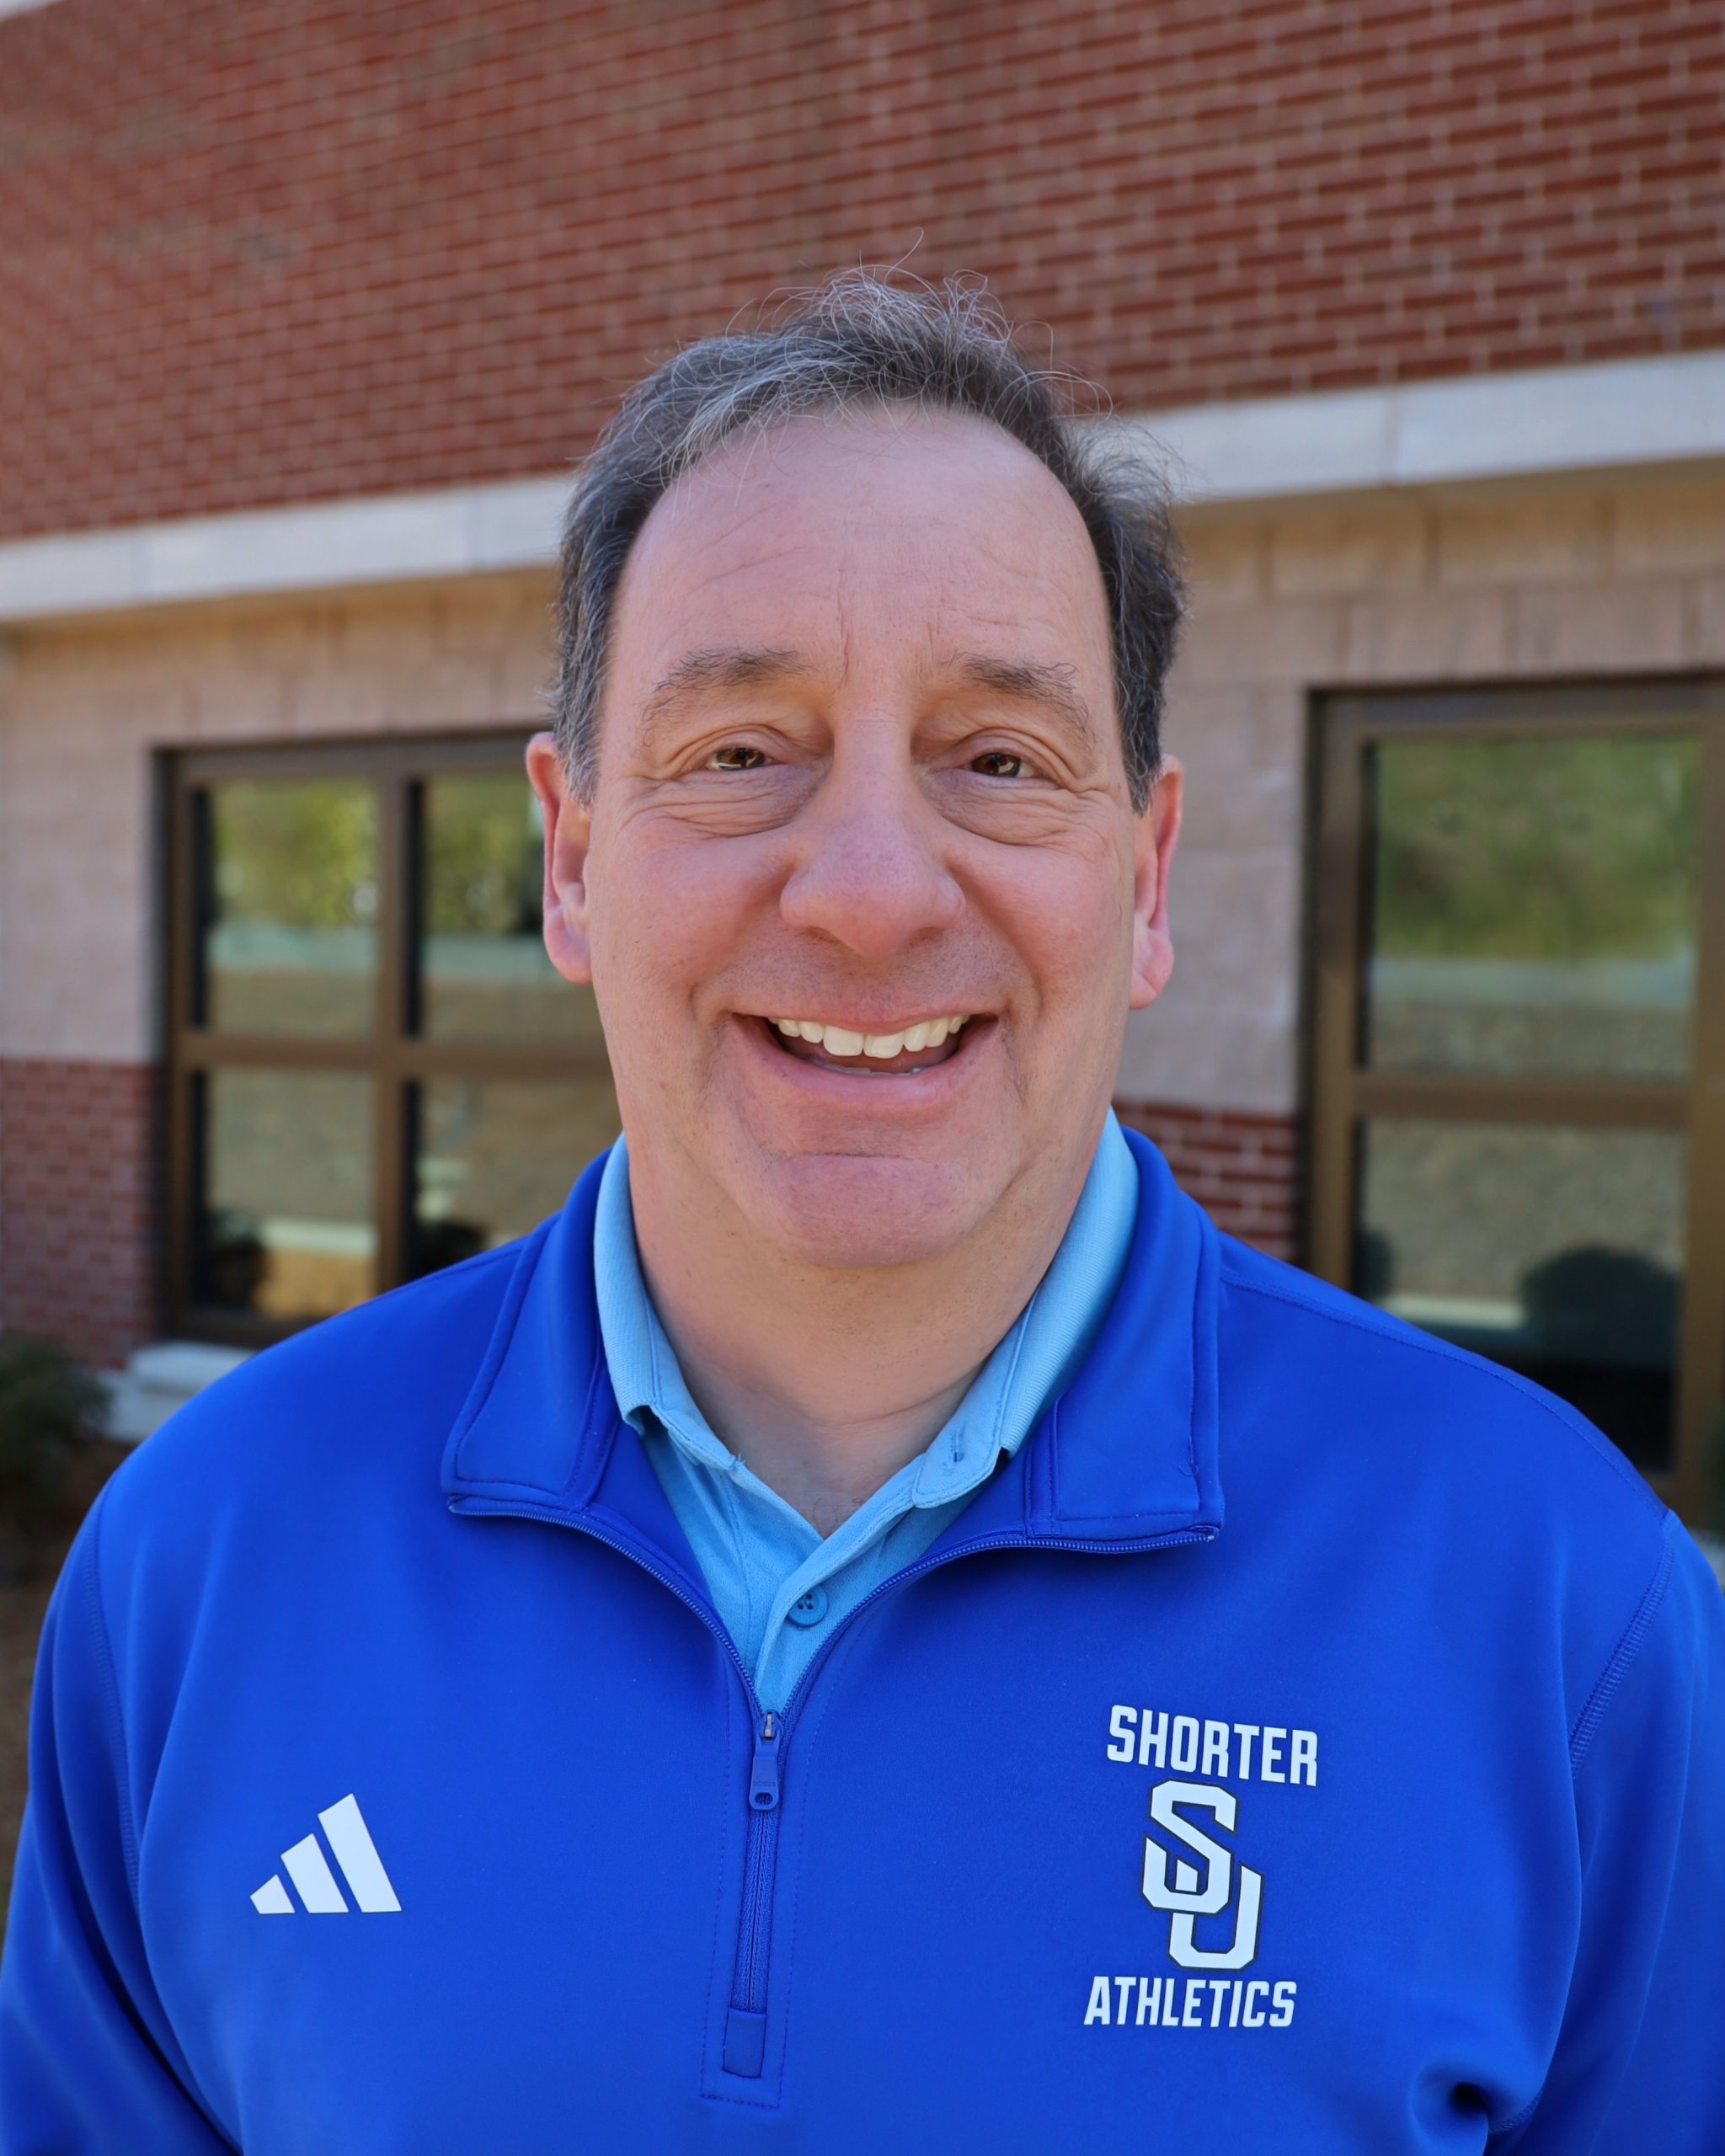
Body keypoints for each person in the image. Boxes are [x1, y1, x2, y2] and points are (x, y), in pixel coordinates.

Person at [2, 275, 1721, 2154]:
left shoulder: (1555, 1600)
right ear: (573, 862)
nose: (874, 889)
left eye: (998, 756)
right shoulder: (208, 1549)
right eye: (743, 751)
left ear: (1141, 879)